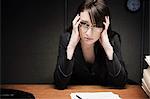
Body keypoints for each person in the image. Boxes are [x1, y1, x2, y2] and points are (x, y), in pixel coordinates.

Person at [54, 0, 128, 90]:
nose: (88, 33)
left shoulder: (112, 39)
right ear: (76, 23)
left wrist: (108, 48)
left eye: (96, 26)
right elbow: (59, 84)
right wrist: (71, 47)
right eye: (84, 24)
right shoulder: (66, 39)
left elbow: (121, 83)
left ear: (105, 26)